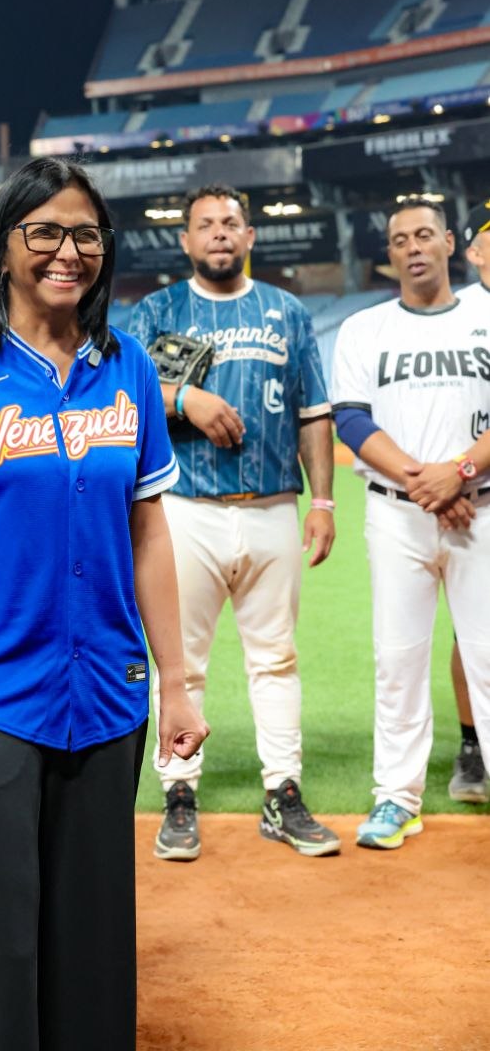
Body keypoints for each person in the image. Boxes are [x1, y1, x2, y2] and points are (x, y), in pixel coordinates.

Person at [0, 157, 207, 1051]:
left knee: (92, 936)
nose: (68, 251)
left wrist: (178, 682)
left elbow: (149, 535)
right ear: (5, 244)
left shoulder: (125, 365)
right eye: (46, 232)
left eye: (86, 234)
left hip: (105, 692)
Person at [129, 184, 339, 862]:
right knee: (180, 662)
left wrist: (324, 502)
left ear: (249, 237)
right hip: (184, 509)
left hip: (274, 505)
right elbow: (116, 393)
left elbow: (313, 415)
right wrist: (183, 396)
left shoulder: (285, 312)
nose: (218, 234)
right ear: (185, 242)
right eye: (204, 225)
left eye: (230, 223)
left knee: (275, 659)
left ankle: (282, 792)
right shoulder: (156, 310)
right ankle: (178, 793)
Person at [332, 198, 490, 848]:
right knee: (397, 659)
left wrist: (456, 470)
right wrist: (430, 482)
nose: (413, 247)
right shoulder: (363, 328)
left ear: (449, 242)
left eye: (424, 234)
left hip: (479, 508)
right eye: (400, 240)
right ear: (390, 253)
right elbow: (351, 420)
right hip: (397, 514)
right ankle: (395, 798)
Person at [446, 197, 490, 803]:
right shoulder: (461, 315)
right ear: (476, 251)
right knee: (473, 630)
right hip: (476, 493)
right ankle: (471, 744)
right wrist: (455, 479)